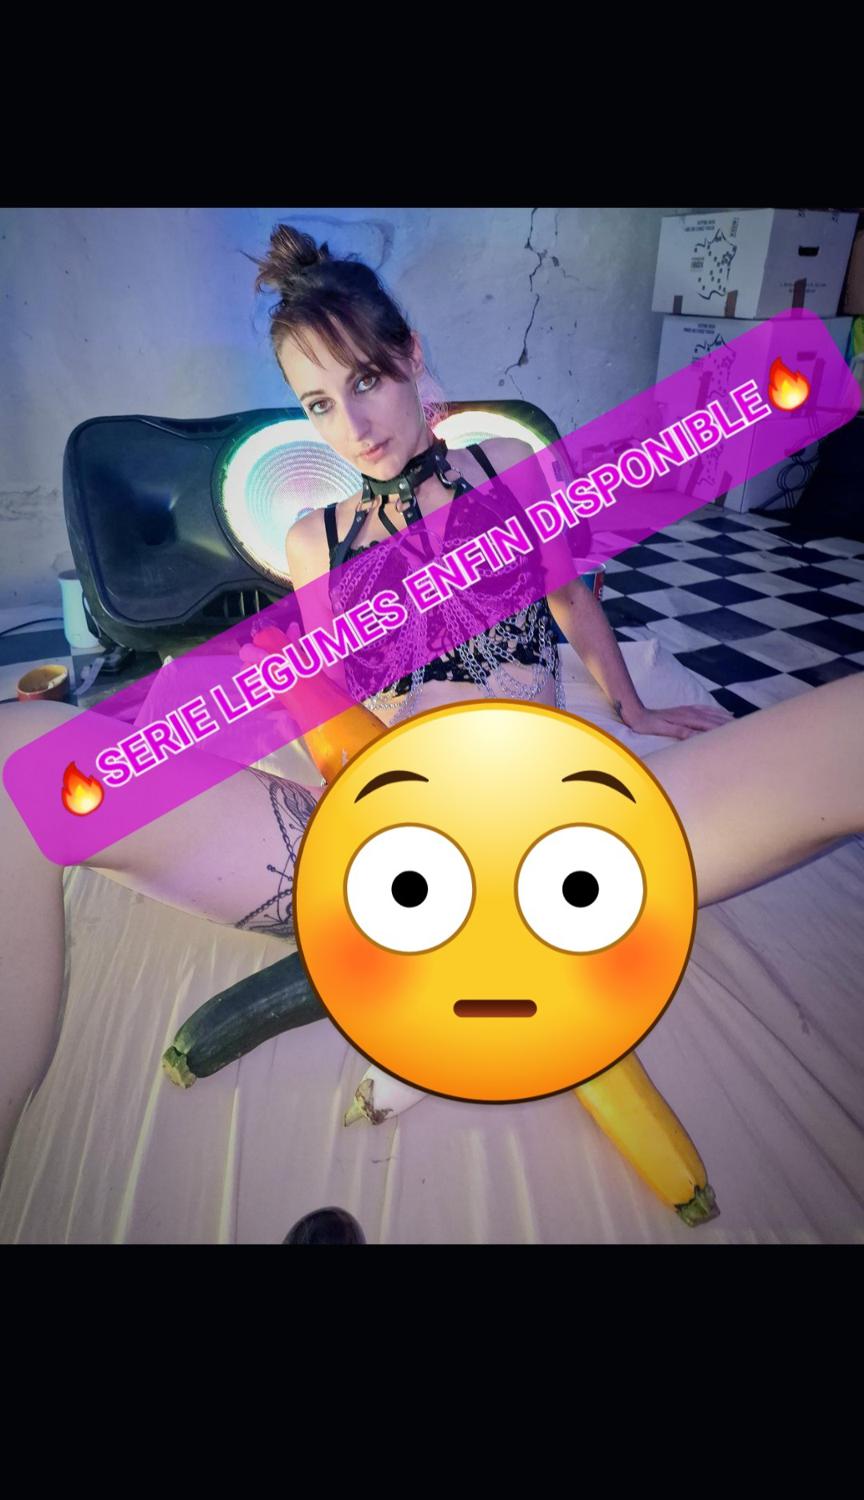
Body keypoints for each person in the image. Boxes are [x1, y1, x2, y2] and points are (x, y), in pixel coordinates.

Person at [1, 224, 862, 1187]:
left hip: (570, 828)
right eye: (319, 404)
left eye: (366, 380)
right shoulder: (311, 542)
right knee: (15, 755)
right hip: (392, 845)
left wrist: (634, 708)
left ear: (411, 358)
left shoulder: (503, 474)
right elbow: (336, 698)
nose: (353, 426)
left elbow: (574, 601)